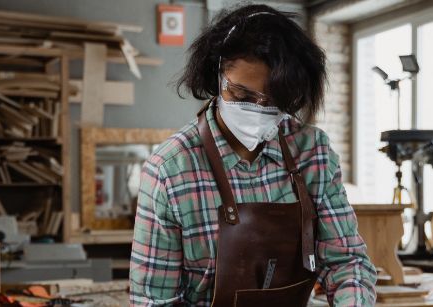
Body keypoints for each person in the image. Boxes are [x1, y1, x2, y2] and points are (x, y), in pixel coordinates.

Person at [129, 4, 376, 306]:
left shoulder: (312, 152)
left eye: (273, 101)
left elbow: (347, 263)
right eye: (242, 95)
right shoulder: (170, 170)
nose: (257, 109)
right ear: (217, 73)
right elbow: (155, 302)